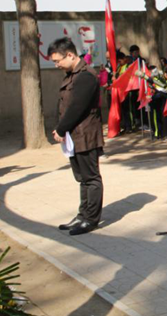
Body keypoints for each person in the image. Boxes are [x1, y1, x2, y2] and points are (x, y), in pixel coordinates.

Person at [48, 37, 104, 236]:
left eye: (58, 60)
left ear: (70, 55)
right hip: (74, 136)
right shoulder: (71, 74)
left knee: (91, 177)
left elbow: (77, 107)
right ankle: (82, 215)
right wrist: (60, 128)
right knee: (82, 179)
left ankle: (91, 219)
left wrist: (61, 129)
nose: (56, 65)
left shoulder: (86, 76)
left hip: (86, 134)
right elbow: (64, 105)